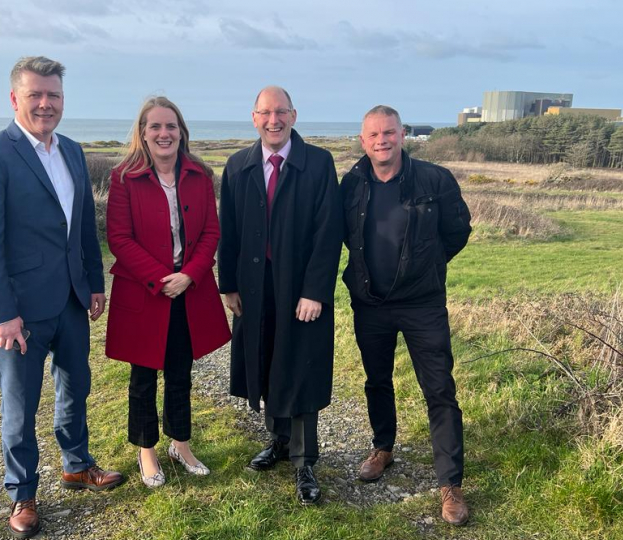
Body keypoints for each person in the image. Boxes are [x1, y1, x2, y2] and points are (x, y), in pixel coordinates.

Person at [0, 56, 123, 539]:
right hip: (20, 311)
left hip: (72, 300)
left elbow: (82, 230)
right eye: (36, 95)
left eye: (53, 95)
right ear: (16, 98)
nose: (46, 103)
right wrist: (2, 314)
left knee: (76, 388)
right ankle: (23, 493)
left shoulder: (72, 151)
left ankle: (77, 465)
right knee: (20, 405)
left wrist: (95, 282)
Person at [340, 105, 472, 525]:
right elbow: (342, 236)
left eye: (390, 133)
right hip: (370, 303)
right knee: (377, 380)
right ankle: (383, 448)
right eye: (374, 134)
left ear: (402, 135)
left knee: (440, 390)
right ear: (363, 141)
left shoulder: (434, 179)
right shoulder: (352, 183)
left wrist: (426, 266)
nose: (382, 140)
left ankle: (450, 483)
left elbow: (458, 231)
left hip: (422, 304)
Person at [218, 86, 343, 505]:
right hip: (255, 286)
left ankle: (305, 459)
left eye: (281, 112)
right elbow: (229, 230)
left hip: (301, 286)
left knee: (302, 365)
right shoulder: (238, 166)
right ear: (254, 118)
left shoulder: (319, 163)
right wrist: (229, 285)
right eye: (266, 113)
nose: (274, 120)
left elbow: (330, 232)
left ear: (294, 116)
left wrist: (315, 291)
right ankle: (279, 440)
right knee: (268, 358)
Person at [105, 97, 231, 488]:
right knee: (143, 377)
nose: (164, 133)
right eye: (155, 126)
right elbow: (119, 238)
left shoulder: (200, 173)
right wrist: (162, 279)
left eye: (171, 126)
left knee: (181, 373)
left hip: (188, 291)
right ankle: (146, 450)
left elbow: (212, 231)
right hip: (146, 293)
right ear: (142, 132)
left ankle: (181, 443)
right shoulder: (124, 177)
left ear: (182, 132)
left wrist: (190, 275)